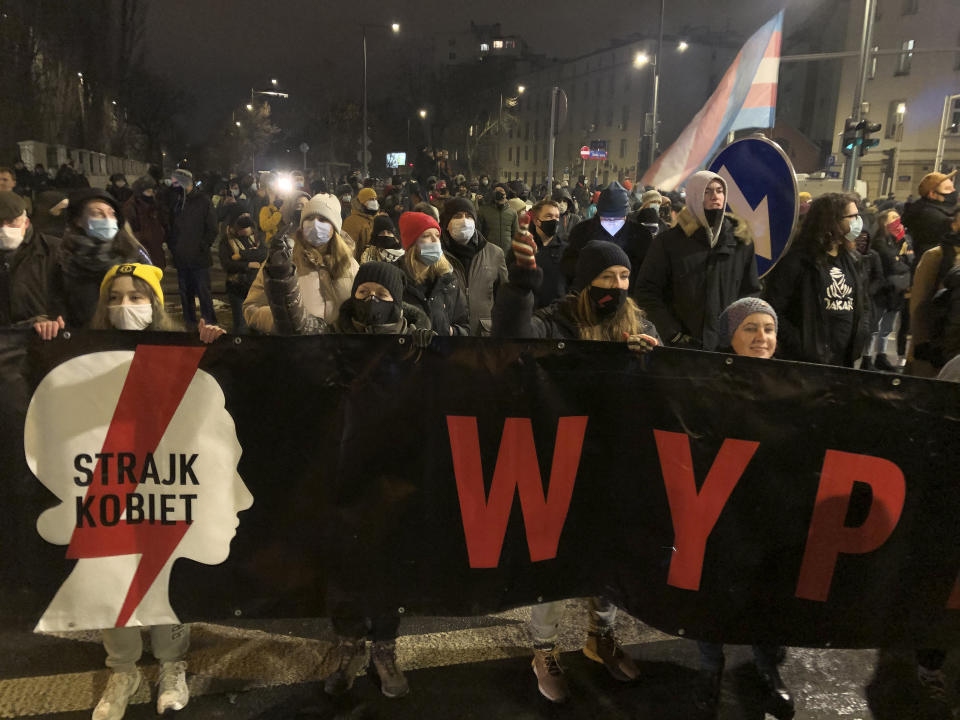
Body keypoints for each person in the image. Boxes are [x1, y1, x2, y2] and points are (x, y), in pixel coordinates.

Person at [492, 238, 657, 703]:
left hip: (615, 459)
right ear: (587, 282)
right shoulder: (558, 320)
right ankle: (543, 648)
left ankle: (599, 636)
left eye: (624, 277)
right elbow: (513, 339)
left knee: (609, 553)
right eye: (607, 278)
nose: (617, 287)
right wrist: (520, 291)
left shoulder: (637, 321)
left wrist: (651, 354)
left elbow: (663, 373)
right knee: (556, 557)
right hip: (559, 459)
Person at [72, 263, 222, 719]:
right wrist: (45, 338)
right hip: (105, 476)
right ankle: (123, 668)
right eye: (115, 297)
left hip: (163, 476)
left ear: (156, 304)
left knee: (162, 569)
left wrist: (212, 345)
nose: (124, 307)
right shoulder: (82, 351)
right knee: (109, 571)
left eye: (136, 297)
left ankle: (171, 663)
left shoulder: (176, 347)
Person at [690, 297, 794, 718]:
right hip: (717, 507)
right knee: (710, 588)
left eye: (768, 329)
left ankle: (768, 669)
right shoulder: (704, 380)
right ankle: (709, 668)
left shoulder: (791, 382)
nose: (761, 338)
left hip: (768, 506)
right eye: (750, 328)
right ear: (729, 334)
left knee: (768, 589)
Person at [634, 171, 759, 350]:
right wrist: (673, 334)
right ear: (694, 196)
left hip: (727, 347)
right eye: (707, 192)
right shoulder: (669, 242)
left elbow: (750, 292)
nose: (715, 196)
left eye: (719, 191)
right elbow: (647, 292)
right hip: (681, 349)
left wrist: (739, 331)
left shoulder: (740, 242)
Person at [762, 193, 870, 366]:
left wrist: (860, 336)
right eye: (852, 216)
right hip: (804, 363)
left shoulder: (854, 260)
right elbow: (773, 309)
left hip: (843, 361)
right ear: (832, 221)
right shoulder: (798, 261)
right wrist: (801, 345)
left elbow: (863, 305)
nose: (858, 222)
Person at [243, 193, 358, 334]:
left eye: (323, 219)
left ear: (334, 227)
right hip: (297, 350)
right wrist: (286, 320)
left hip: (339, 351)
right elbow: (251, 308)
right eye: (309, 218)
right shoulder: (284, 262)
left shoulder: (350, 265)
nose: (315, 223)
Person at [54, 188, 151, 328]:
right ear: (78, 221)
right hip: (87, 340)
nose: (107, 219)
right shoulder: (64, 261)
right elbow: (57, 305)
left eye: (111, 214)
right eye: (97, 214)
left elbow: (153, 297)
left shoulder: (133, 253)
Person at [562, 181, 653, 294]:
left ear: (626, 215)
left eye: (617, 219)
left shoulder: (641, 236)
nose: (612, 223)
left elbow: (646, 275)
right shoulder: (582, 233)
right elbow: (570, 269)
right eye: (607, 218)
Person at [439, 197, 506, 336]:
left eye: (469, 216)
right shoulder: (437, 254)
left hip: (484, 335)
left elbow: (504, 296)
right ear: (446, 223)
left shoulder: (495, 253)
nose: (464, 221)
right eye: (457, 216)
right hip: (451, 334)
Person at [0, 191, 64, 336]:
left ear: (26, 222)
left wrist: (52, 319)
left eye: (11, 222)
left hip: (43, 337)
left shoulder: (53, 250)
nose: (4, 229)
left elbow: (67, 296)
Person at [396, 211, 469, 337]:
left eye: (437, 235)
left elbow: (465, 326)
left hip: (443, 353)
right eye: (426, 236)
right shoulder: (394, 279)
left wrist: (451, 332)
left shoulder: (448, 281)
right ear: (412, 244)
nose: (435, 241)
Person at [908, 208, 960, 375]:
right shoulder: (936, 256)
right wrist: (918, 351)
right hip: (940, 350)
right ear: (954, 224)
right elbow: (919, 309)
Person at [166, 169, 218, 326]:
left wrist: (202, 246)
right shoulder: (176, 200)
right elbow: (170, 226)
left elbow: (212, 228)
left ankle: (209, 323)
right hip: (181, 257)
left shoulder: (203, 200)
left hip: (199, 258)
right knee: (185, 294)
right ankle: (189, 324)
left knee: (203, 293)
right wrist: (174, 247)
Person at [863, 209, 912, 371]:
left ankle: (881, 356)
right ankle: (867, 358)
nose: (897, 220)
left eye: (898, 217)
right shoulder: (879, 241)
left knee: (887, 328)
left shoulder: (902, 240)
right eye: (893, 217)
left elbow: (910, 260)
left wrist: (902, 243)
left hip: (896, 290)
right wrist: (900, 261)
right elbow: (892, 263)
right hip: (883, 290)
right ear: (884, 222)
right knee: (875, 327)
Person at [218, 206, 265, 334]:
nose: (246, 229)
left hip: (256, 288)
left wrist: (242, 256)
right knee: (241, 327)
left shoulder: (256, 237)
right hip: (237, 288)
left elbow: (263, 254)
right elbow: (227, 264)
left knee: (258, 326)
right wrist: (247, 265)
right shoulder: (226, 241)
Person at [524, 199, 568, 308]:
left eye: (557, 217)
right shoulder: (522, 248)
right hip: (529, 314)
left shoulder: (565, 250)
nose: (554, 220)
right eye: (549, 216)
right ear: (537, 221)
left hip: (556, 315)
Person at [902, 170, 957, 258]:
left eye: (952, 187)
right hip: (934, 267)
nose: (953, 191)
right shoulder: (929, 214)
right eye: (947, 189)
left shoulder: (938, 209)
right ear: (932, 194)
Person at [121, 176, 166, 268]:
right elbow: (128, 230)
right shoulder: (130, 207)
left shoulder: (154, 203)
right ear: (139, 192)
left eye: (152, 191)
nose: (151, 194)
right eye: (148, 192)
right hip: (142, 248)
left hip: (155, 246)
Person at [477, 183, 519, 255]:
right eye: (495, 190)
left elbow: (515, 234)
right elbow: (478, 232)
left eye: (501, 190)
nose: (498, 192)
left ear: (505, 194)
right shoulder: (483, 210)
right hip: (489, 252)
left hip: (506, 253)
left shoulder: (512, 212)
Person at [343, 187, 379, 260]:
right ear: (361, 202)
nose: (374, 202)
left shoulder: (378, 218)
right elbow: (347, 248)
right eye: (371, 199)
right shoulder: (352, 221)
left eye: (375, 199)